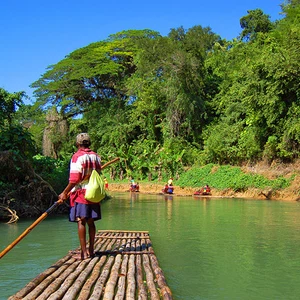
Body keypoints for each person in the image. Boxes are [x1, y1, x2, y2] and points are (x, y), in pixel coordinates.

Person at [58, 133, 102, 260]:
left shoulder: (77, 157)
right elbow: (98, 173)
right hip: (94, 192)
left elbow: (74, 179)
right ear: (89, 143)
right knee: (91, 221)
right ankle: (92, 251)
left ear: (78, 144)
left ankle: (84, 253)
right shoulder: (96, 157)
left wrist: (64, 192)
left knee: (81, 220)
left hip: (82, 192)